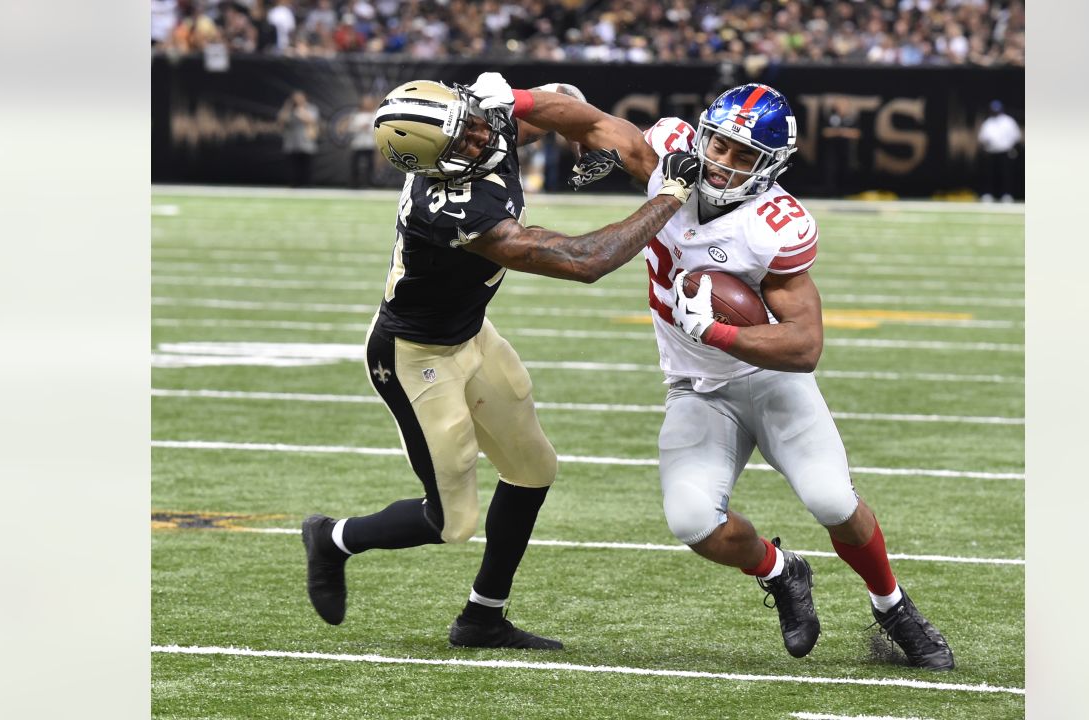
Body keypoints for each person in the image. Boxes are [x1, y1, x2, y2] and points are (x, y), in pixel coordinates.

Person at [470, 74, 955, 669]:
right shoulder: (669, 159)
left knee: (832, 500)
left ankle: (893, 606)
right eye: (718, 144)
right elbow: (588, 120)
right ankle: (782, 572)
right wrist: (509, 101)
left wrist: (720, 331)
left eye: (743, 154)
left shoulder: (774, 223)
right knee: (693, 521)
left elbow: (805, 346)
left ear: (769, 165)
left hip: (770, 383)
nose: (723, 162)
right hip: (695, 389)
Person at [301, 78, 701, 650]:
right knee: (452, 521)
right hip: (416, 356)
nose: (482, 135)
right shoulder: (447, 207)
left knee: (534, 469)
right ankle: (333, 538)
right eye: (463, 140)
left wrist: (583, 135)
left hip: (472, 334)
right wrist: (669, 195)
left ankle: (483, 617)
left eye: (473, 122)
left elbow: (563, 100)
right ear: (435, 165)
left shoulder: (480, 114)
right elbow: (583, 261)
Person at [977, 100, 1022, 202]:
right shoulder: (988, 122)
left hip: (1005, 152)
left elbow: (1016, 137)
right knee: (990, 176)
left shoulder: (1009, 121)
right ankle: (988, 194)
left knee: (1006, 175)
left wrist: (1011, 147)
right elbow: (982, 138)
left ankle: (1006, 195)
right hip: (991, 152)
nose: (995, 112)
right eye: (993, 110)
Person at [278, 90, 319, 187]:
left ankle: (307, 186)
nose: (297, 100)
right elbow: (281, 120)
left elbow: (311, 120)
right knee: (292, 168)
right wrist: (287, 107)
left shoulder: (311, 108)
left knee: (306, 168)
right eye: (295, 98)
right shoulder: (289, 109)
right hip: (291, 143)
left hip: (306, 143)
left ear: (304, 98)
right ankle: (293, 186)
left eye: (299, 97)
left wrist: (300, 109)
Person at [347, 95, 377, 188]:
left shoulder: (375, 115)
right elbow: (350, 128)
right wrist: (360, 127)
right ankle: (354, 184)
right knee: (355, 164)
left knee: (370, 165)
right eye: (365, 102)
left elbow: (378, 130)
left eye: (369, 102)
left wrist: (369, 128)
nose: (367, 104)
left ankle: (369, 183)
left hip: (369, 144)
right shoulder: (356, 115)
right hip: (357, 144)